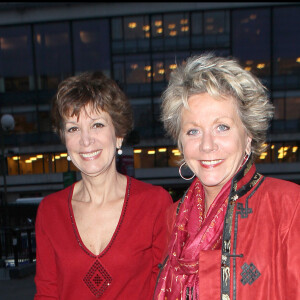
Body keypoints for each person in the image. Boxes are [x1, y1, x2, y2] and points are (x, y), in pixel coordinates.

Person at [154, 53, 300, 300]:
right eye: (193, 131)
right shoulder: (173, 217)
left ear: (248, 136)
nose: (207, 145)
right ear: (180, 142)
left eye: (222, 127)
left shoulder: (289, 205)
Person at [34, 71, 173, 300]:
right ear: (65, 140)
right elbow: (47, 294)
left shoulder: (155, 203)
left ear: (118, 135)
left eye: (97, 125)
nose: (85, 140)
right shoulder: (50, 211)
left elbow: (165, 290)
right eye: (73, 128)